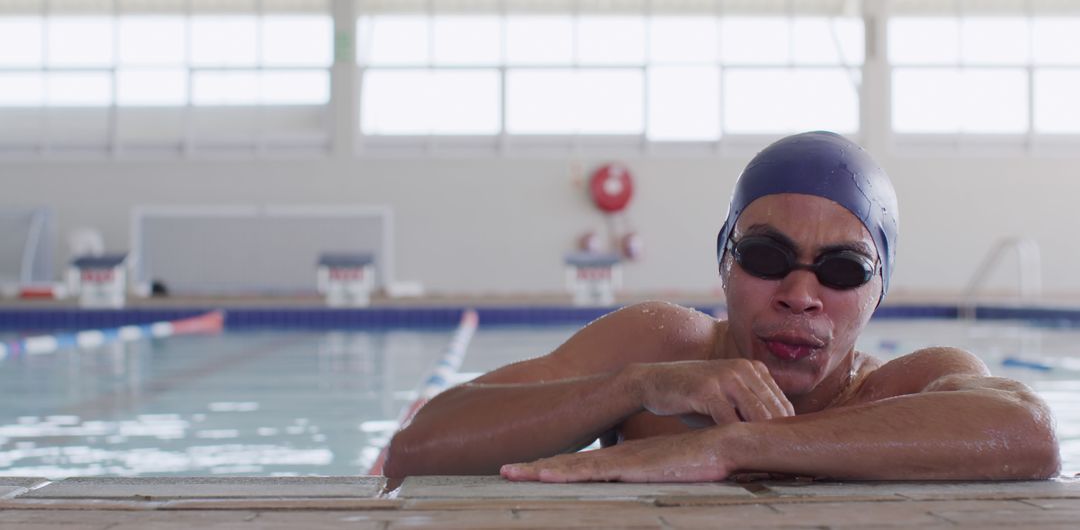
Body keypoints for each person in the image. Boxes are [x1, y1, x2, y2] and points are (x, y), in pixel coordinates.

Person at [384, 131, 1060, 482]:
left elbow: (1028, 432)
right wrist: (634, 387)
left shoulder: (906, 387)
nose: (800, 295)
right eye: (766, 257)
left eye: (843, 269)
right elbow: (419, 448)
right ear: (724, 261)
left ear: (880, 288)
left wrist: (734, 445)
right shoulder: (657, 347)